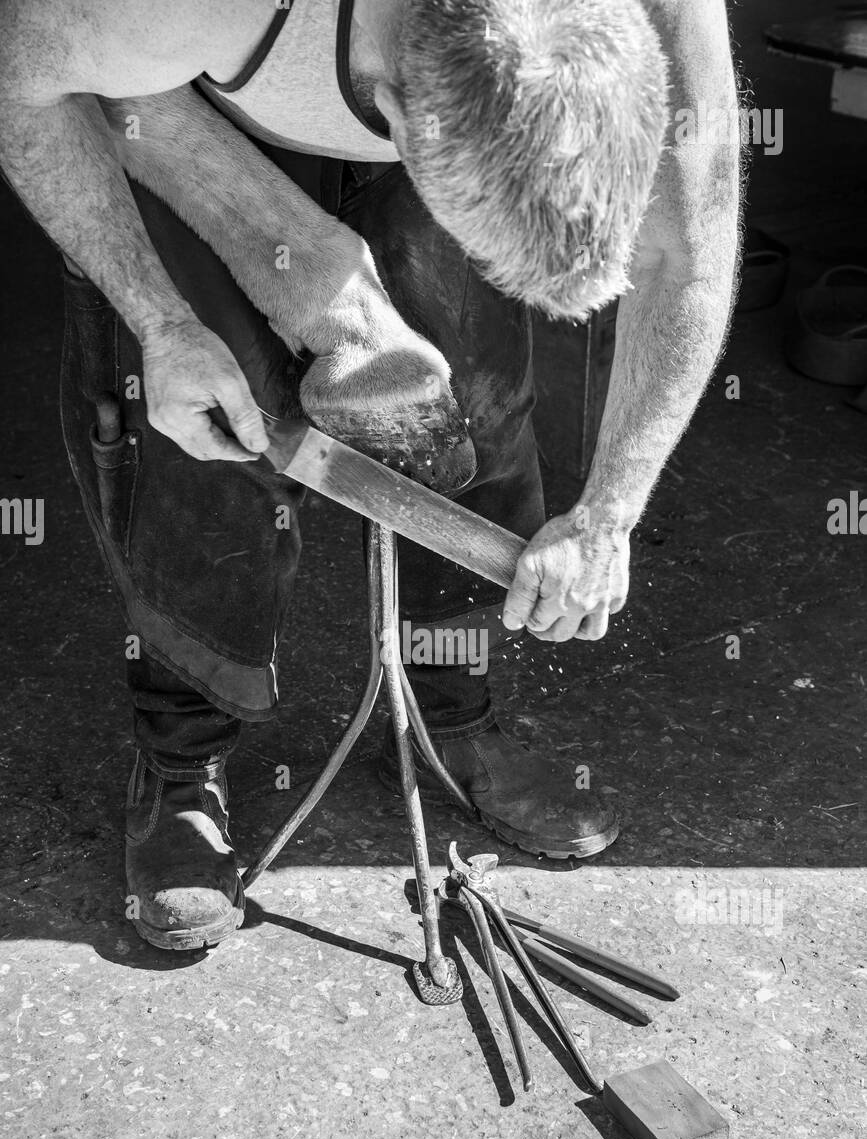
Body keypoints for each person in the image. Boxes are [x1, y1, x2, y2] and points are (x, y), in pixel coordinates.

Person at [0, 0, 741, 949]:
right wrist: (163, 320)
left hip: (354, 61)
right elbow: (30, 79)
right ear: (389, 110)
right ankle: (183, 757)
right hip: (171, 83)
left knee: (471, 388)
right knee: (205, 438)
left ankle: (448, 713)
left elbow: (691, 238)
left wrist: (610, 510)